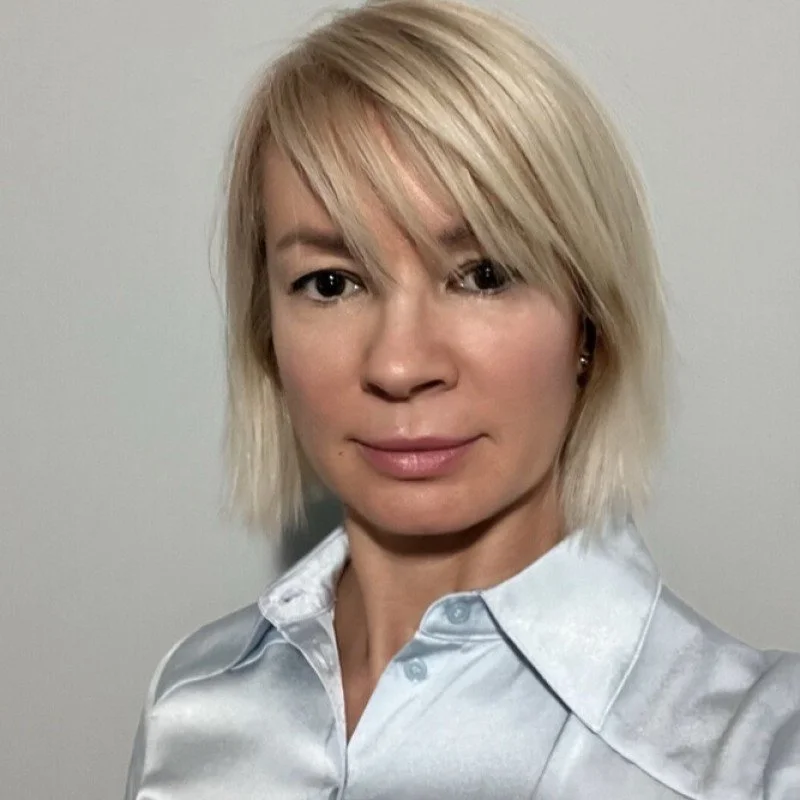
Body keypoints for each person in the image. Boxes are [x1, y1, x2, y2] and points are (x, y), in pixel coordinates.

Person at [124, 0, 800, 797]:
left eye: (484, 274)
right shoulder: (193, 703)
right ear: (265, 331)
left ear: (590, 317)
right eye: (332, 283)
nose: (401, 364)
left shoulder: (758, 756)